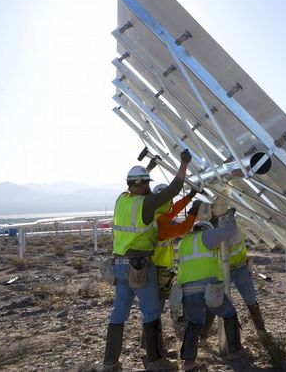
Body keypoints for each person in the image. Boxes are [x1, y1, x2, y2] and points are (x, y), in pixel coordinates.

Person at [101, 149, 191, 372]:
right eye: (147, 183)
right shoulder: (147, 204)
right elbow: (173, 189)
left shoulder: (121, 200)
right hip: (139, 267)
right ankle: (156, 362)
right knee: (151, 312)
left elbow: (135, 184)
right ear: (140, 184)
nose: (150, 187)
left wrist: (149, 168)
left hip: (119, 267)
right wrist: (183, 163)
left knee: (118, 314)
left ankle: (109, 364)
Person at [141, 185, 202, 360]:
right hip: (158, 269)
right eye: (168, 200)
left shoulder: (157, 215)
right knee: (155, 309)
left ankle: (149, 345)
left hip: (158, 268)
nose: (170, 204)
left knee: (153, 309)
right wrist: (193, 213)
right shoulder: (160, 220)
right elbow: (182, 229)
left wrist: (189, 197)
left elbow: (174, 209)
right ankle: (154, 351)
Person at [177, 213, 244, 371]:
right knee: (229, 313)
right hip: (207, 288)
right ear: (207, 230)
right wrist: (231, 216)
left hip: (187, 291)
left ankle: (188, 361)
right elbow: (229, 230)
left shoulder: (184, 242)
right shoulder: (205, 237)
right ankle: (234, 350)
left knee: (194, 323)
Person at [200, 195, 269, 342]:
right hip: (222, 270)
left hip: (239, 268)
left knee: (251, 299)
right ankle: (203, 334)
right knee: (214, 300)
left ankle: (261, 330)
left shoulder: (233, 224)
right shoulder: (213, 229)